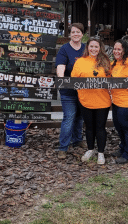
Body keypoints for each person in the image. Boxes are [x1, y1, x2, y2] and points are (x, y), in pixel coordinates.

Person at [71, 37, 111, 165]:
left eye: (96, 47)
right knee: (89, 127)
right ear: (87, 47)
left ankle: (100, 153)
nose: (93, 49)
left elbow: (112, 80)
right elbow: (74, 80)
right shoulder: (80, 61)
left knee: (100, 127)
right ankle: (90, 149)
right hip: (85, 99)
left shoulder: (106, 62)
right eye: (91, 46)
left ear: (100, 48)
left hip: (102, 100)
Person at [55, 22, 86, 159]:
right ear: (69, 34)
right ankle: (63, 147)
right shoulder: (64, 49)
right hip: (68, 90)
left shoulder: (86, 48)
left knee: (79, 117)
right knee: (69, 117)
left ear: (82, 34)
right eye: (73, 32)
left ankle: (77, 140)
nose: (75, 34)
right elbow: (61, 66)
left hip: (84, 90)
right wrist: (62, 81)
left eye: (78, 32)